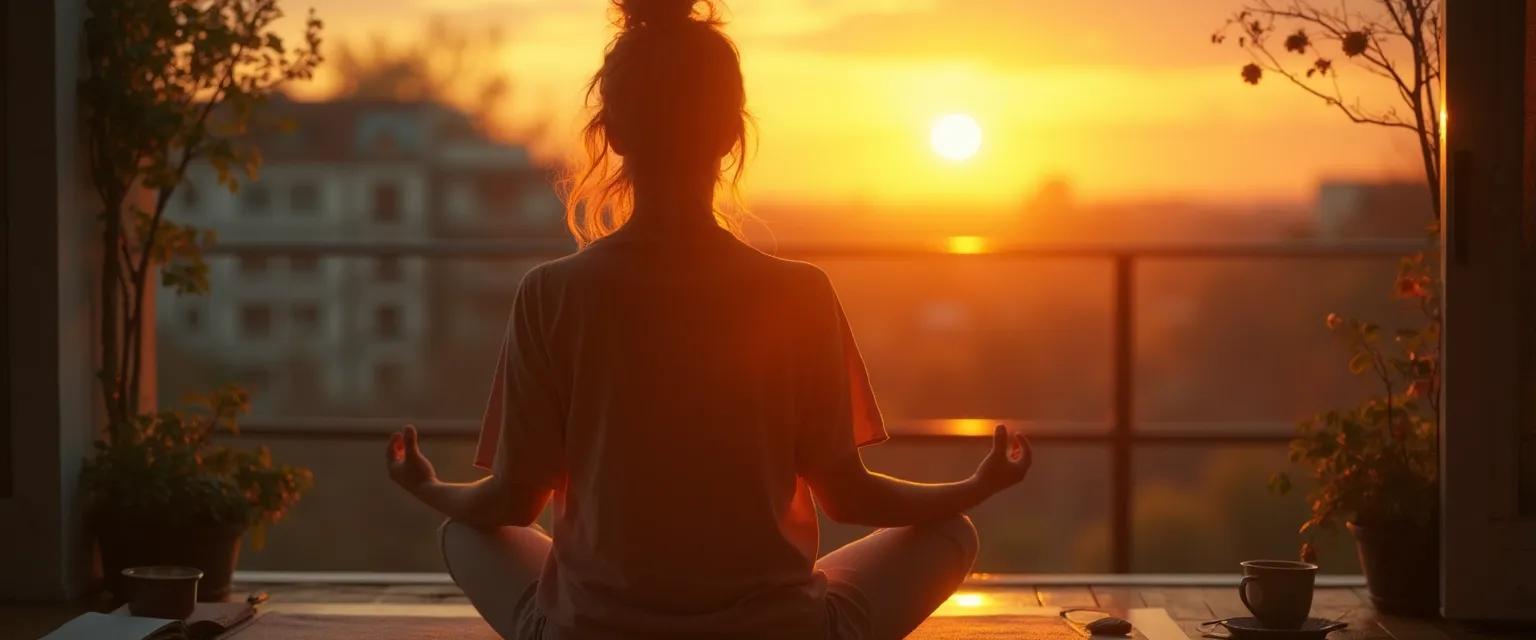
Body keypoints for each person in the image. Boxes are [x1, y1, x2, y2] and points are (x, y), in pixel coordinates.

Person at [384, 1, 1032, 637]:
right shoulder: (798, 292)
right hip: (779, 631)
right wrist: (975, 485)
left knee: (463, 530)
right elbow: (850, 498)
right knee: (951, 532)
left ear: (610, 130)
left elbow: (508, 504)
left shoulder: (552, 293)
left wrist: (428, 486)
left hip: (595, 629)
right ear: (730, 132)